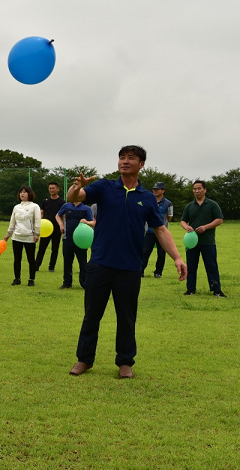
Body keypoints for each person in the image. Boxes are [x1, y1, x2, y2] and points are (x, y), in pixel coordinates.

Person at [67, 145, 187, 379]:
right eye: (122, 157)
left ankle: (125, 362)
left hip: (130, 267)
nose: (124, 161)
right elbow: (75, 198)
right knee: (91, 314)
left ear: (141, 164)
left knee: (126, 317)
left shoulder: (147, 198)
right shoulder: (104, 187)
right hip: (100, 263)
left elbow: (160, 230)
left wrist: (177, 257)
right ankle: (84, 359)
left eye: (131, 158)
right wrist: (76, 186)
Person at [180, 180, 226, 297]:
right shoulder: (189, 206)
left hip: (208, 241)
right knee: (191, 266)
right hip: (192, 242)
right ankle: (190, 289)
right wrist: (187, 227)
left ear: (205, 190)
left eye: (199, 188)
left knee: (211, 266)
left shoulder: (212, 204)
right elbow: (183, 220)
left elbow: (219, 219)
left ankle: (216, 290)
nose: (197, 191)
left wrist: (206, 227)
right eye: (194, 189)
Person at [3, 186, 41, 287]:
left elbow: (37, 221)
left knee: (31, 259)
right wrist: (8, 235)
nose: (22, 194)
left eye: (25, 192)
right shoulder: (16, 207)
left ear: (30, 194)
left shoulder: (35, 206)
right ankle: (17, 278)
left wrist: (36, 234)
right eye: (21, 192)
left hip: (29, 237)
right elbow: (12, 222)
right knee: (17, 259)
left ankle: (31, 279)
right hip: (17, 237)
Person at [55, 201, 95, 290]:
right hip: (67, 238)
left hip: (81, 240)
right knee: (67, 261)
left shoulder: (86, 208)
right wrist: (61, 225)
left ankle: (84, 283)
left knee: (82, 262)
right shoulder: (66, 206)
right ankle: (67, 282)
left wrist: (86, 222)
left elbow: (93, 222)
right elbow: (57, 215)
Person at [141, 182, 174, 278]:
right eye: (154, 189)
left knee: (161, 253)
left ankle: (158, 272)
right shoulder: (148, 201)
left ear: (163, 190)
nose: (155, 191)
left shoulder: (168, 203)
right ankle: (141, 271)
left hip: (162, 233)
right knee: (145, 252)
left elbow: (169, 217)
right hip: (149, 231)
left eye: (157, 189)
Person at [35, 182, 65, 273]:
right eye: (50, 188)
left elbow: (63, 216)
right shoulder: (45, 201)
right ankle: (36, 266)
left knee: (55, 249)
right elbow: (42, 213)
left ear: (58, 189)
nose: (51, 190)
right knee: (42, 248)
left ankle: (51, 267)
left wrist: (62, 226)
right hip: (45, 229)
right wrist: (39, 224)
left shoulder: (62, 202)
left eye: (53, 188)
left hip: (57, 229)